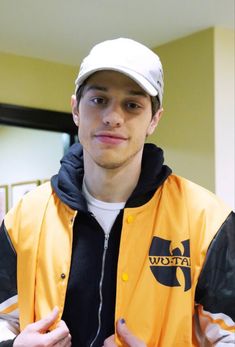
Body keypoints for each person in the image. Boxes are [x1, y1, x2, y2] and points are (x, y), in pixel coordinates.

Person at [0, 38, 234, 347]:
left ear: (154, 119)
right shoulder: (26, 217)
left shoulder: (208, 221)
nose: (112, 117)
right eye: (98, 100)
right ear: (75, 110)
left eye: (132, 105)